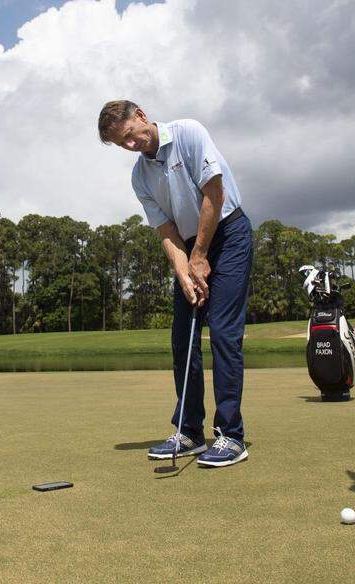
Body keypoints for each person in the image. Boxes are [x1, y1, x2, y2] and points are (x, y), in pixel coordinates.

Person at [98, 100, 254, 467]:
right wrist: (185, 272)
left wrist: (201, 255)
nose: (131, 146)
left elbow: (213, 196)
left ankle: (231, 436)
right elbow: (166, 231)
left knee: (224, 334)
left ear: (140, 115)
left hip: (229, 235)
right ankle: (189, 432)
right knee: (183, 337)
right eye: (123, 145)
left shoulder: (188, 132)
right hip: (186, 245)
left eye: (130, 136)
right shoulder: (140, 176)